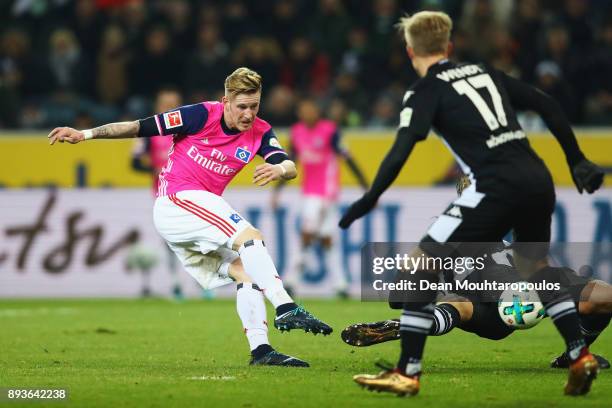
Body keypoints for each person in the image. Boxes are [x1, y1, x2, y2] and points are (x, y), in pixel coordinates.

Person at [339, 11, 604, 396]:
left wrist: (370, 196)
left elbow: (402, 148)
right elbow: (545, 104)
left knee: (418, 266)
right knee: (537, 266)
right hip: (537, 177)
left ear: (411, 51)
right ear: (449, 47)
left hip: (494, 185)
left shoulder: (424, 91)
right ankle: (580, 355)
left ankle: (407, 372)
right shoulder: (485, 74)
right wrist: (576, 159)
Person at [48, 67, 333, 367]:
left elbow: (288, 165)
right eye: (242, 107)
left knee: (245, 272)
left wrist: (279, 169)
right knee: (250, 238)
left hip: (192, 213)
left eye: (254, 106)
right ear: (226, 101)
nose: (248, 114)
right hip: (176, 201)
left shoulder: (260, 131)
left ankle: (261, 351)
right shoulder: (199, 115)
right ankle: (286, 305)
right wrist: (86, 134)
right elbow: (137, 127)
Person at [341, 177, 612, 370]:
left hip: (532, 287)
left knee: (602, 296)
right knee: (460, 305)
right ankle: (409, 326)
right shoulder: (447, 235)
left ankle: (575, 355)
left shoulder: (515, 232)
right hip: (486, 305)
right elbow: (398, 296)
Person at [271, 97, 368, 297]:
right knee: (326, 238)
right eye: (304, 110)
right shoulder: (297, 132)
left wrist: (366, 187)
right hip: (309, 192)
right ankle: (341, 284)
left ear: (317, 111)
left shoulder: (330, 131)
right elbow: (291, 162)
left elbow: (348, 159)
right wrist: (277, 190)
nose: (308, 113)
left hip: (327, 191)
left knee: (307, 233)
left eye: (311, 109)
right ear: (299, 113)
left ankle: (290, 280)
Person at [131, 86, 185, 299]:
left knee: (199, 239)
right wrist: (153, 169)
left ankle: (203, 283)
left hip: (193, 193)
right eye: (166, 104)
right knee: (171, 241)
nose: (170, 108)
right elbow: (134, 162)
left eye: (174, 104)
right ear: (158, 106)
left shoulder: (190, 129)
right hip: (163, 196)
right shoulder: (149, 131)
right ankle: (176, 283)